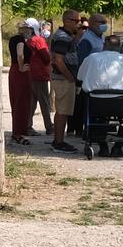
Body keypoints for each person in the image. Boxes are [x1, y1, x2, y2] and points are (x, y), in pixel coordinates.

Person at [48, 11, 81, 152]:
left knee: (62, 111)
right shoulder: (62, 37)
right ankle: (59, 142)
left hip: (62, 78)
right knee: (62, 111)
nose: (78, 24)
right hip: (63, 79)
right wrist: (70, 77)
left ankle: (57, 140)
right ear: (67, 21)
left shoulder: (67, 36)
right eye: (76, 21)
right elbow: (58, 60)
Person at [7, 17, 38, 144]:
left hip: (14, 70)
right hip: (21, 72)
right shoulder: (20, 40)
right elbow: (20, 54)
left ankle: (18, 131)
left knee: (18, 101)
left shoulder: (13, 39)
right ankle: (18, 132)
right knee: (22, 102)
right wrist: (21, 66)